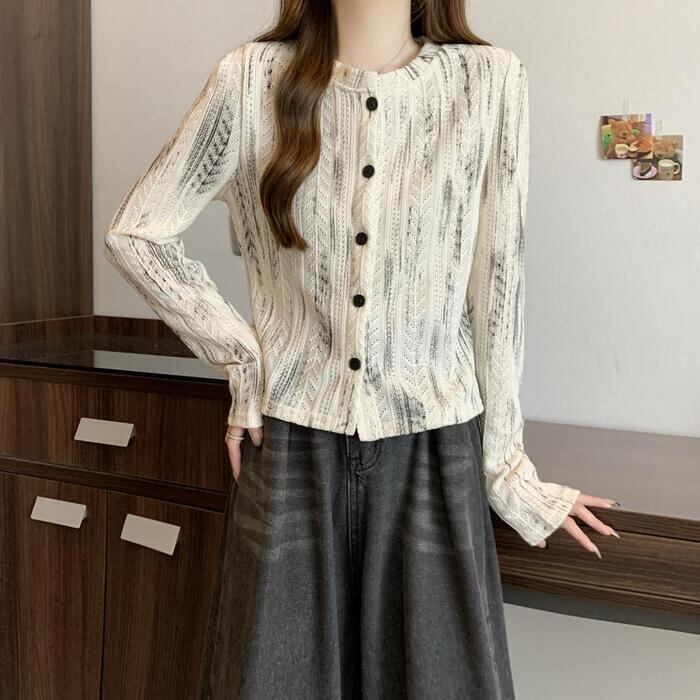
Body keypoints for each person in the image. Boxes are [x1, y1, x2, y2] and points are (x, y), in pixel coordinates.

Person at [103, 1, 621, 697]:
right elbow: (137, 233)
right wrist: (242, 361)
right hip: (290, 442)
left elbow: (498, 288)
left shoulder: (490, 81)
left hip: (435, 447)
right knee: (274, 681)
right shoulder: (250, 80)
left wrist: (506, 471)